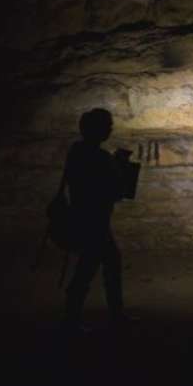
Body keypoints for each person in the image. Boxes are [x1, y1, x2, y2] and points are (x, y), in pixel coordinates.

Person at [61, 108, 135, 333]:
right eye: (107, 125)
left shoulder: (76, 151)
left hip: (84, 216)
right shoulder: (99, 157)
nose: (111, 128)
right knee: (91, 267)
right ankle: (74, 320)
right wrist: (119, 166)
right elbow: (116, 191)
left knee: (104, 263)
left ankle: (113, 314)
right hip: (95, 220)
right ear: (97, 129)